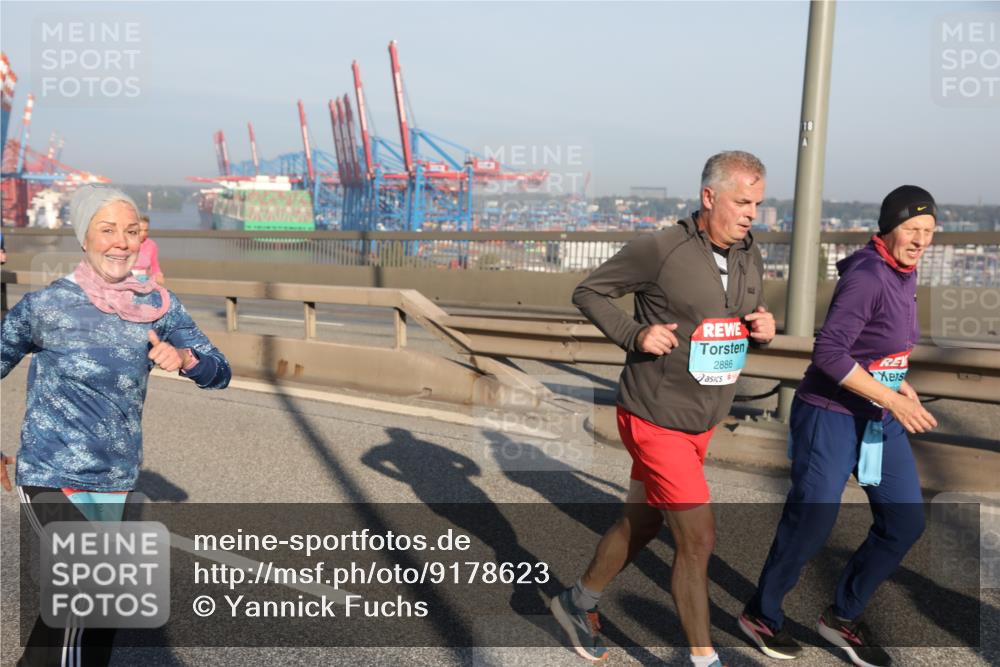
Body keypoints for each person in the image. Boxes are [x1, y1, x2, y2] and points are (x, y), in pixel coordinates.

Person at [551, 151, 776, 667]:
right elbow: (589, 292)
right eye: (742, 202)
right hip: (655, 416)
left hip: (703, 418)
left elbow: (730, 325)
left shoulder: (750, 255)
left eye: (758, 204)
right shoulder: (661, 249)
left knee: (643, 522)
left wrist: (760, 331)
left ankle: (576, 602)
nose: (751, 214)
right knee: (698, 539)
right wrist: (636, 334)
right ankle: (704, 660)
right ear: (708, 197)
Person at [0, 185, 231, 666]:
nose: (120, 242)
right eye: (107, 230)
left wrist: (186, 358)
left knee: (98, 613)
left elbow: (219, 370)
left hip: (115, 479)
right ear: (84, 238)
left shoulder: (157, 306)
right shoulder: (46, 307)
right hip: (51, 472)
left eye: (130, 231)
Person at [739, 185, 938, 667]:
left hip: (877, 414)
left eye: (929, 231)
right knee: (811, 522)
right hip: (829, 414)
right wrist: (890, 393)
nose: (920, 240)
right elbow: (828, 354)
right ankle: (761, 615)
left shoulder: (904, 272)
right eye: (911, 229)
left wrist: (898, 382)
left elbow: (876, 345)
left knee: (905, 522)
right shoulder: (868, 276)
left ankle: (842, 615)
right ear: (888, 229)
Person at [132, 214, 164, 283]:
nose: (143, 234)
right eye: (140, 230)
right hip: (126, 280)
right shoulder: (125, 243)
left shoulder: (151, 245)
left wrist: (158, 275)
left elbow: (154, 265)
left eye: (146, 230)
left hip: (145, 281)